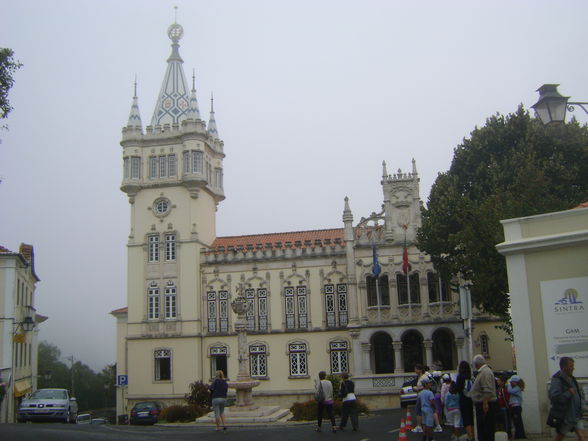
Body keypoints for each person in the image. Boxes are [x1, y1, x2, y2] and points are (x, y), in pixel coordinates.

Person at [549, 357, 586, 441]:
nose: (573, 368)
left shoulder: (572, 378)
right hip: (566, 416)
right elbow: (554, 397)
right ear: (563, 367)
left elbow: (578, 394)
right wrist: (568, 393)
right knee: (560, 437)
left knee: (583, 436)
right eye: (571, 366)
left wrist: (582, 405)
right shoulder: (557, 379)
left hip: (576, 415)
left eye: (573, 366)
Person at [470, 354, 497, 441]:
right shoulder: (483, 372)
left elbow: (487, 389)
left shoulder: (485, 372)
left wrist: (485, 403)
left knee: (486, 429)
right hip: (483, 403)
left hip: (485, 403)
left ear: (476, 364)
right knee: (483, 429)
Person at [455, 361, 475, 441]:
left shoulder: (460, 376)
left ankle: (469, 436)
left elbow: (458, 388)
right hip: (471, 399)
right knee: (471, 418)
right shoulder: (470, 376)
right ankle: (473, 435)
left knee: (466, 419)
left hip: (463, 399)